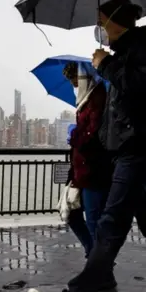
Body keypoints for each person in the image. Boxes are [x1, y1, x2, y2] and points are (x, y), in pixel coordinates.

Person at [28, 0, 146, 292]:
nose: (99, 27)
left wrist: (106, 64)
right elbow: (122, 103)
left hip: (138, 148)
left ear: (114, 21)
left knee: (110, 226)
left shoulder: (144, 44)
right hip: (131, 149)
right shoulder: (131, 51)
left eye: (101, 20)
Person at [60, 62, 111, 259]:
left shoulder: (98, 98)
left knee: (93, 221)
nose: (74, 86)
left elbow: (93, 134)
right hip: (81, 170)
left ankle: (99, 266)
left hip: (94, 171)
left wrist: (75, 136)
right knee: (73, 214)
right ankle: (94, 256)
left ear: (84, 78)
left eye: (75, 81)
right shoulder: (85, 101)